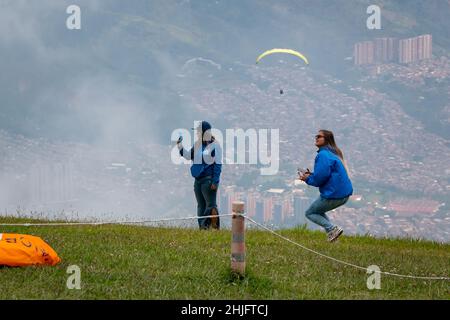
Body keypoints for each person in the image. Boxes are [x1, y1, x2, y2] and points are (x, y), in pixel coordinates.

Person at [299, 130, 353, 242]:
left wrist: (307, 179)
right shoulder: (332, 154)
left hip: (333, 194)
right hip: (342, 193)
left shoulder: (323, 155)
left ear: (326, 139)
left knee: (310, 213)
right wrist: (312, 175)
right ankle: (334, 237)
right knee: (318, 211)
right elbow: (325, 174)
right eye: (316, 136)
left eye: (319, 136)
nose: (316, 138)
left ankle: (332, 229)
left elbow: (320, 178)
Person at [177, 121, 222, 230]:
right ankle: (202, 229)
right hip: (198, 180)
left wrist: (215, 181)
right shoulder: (197, 144)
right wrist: (180, 146)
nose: (196, 133)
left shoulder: (215, 146)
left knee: (211, 205)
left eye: (198, 131)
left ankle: (213, 228)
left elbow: (218, 165)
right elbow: (188, 156)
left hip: (208, 180)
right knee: (201, 205)